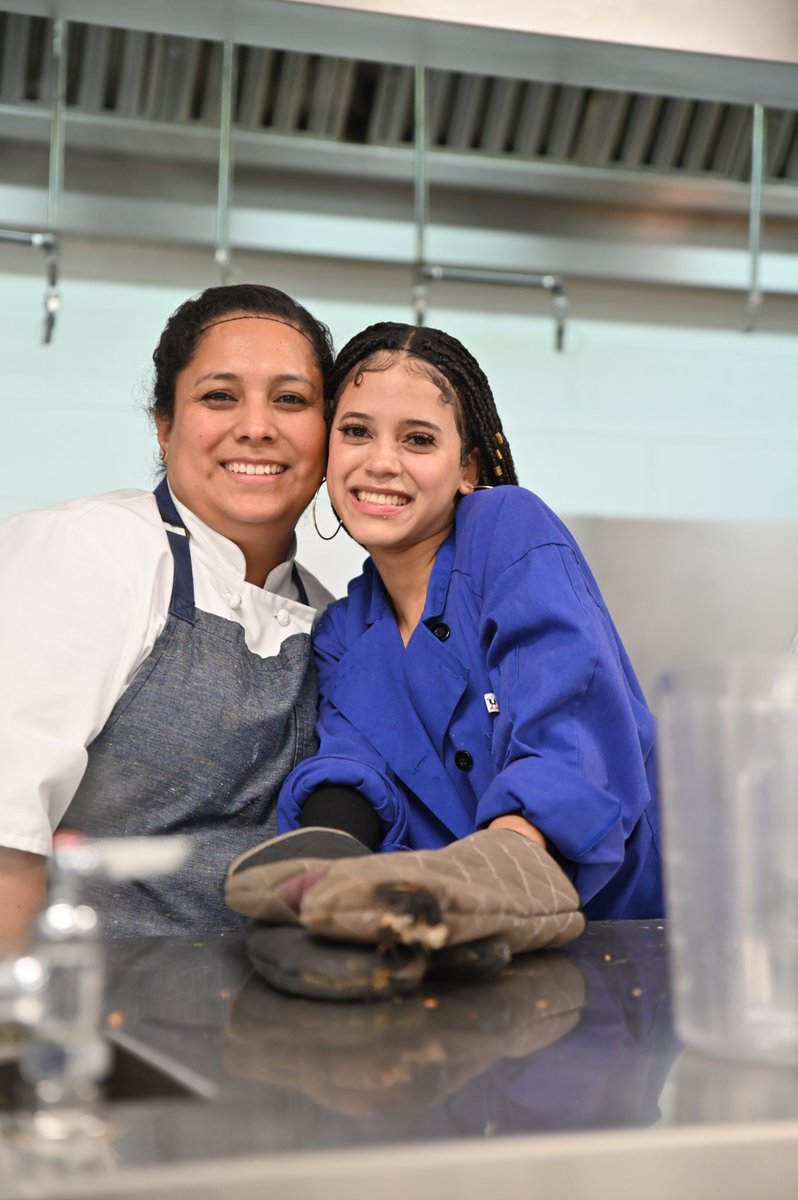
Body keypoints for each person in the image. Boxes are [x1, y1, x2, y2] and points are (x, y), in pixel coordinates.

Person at [224, 321, 661, 999]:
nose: (381, 462)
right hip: (456, 957)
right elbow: (354, 762)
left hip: (608, 955)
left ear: (468, 468)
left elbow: (568, 706)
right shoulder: (344, 629)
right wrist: (326, 854)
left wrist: (503, 861)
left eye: (418, 439)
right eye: (356, 431)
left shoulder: (507, 531)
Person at [0, 283, 334, 944]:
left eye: (291, 399)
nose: (257, 426)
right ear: (165, 424)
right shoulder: (91, 551)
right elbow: (7, 839)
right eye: (219, 395)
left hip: (259, 1028)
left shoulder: (329, 618)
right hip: (91, 1020)